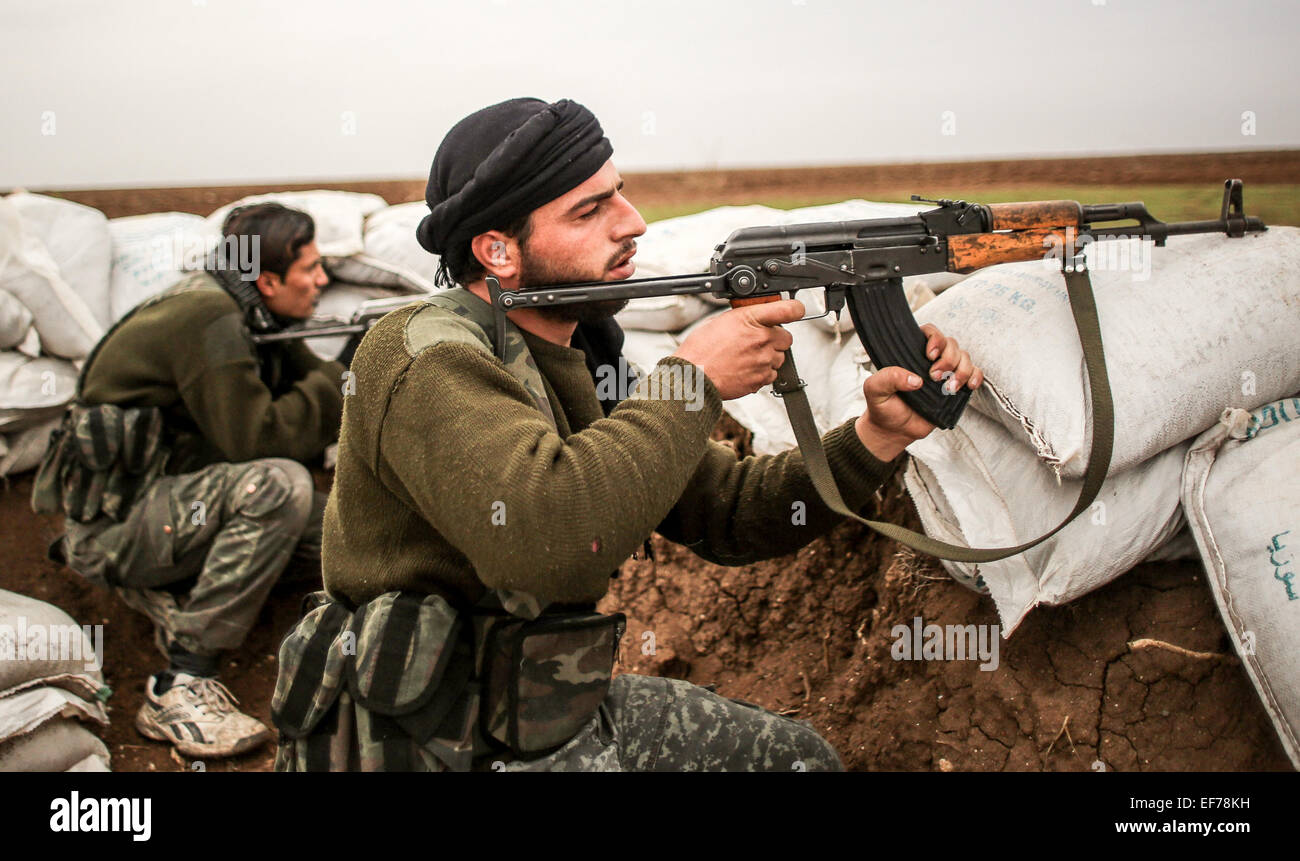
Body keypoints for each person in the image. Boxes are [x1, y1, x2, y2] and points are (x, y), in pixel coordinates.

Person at [271, 98, 983, 772]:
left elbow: (726, 510)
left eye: (621, 193)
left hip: (530, 710)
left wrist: (876, 436)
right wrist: (689, 381)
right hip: (419, 739)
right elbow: (545, 542)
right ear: (498, 251)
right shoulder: (425, 353)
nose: (634, 221)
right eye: (591, 209)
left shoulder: (582, 353)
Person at [33, 203, 346, 759]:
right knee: (278, 487)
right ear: (268, 279)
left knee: (339, 528)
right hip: (117, 528)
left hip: (171, 511)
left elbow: (310, 377)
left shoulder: (250, 312)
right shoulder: (208, 317)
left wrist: (350, 362)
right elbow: (261, 440)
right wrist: (341, 374)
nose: (323, 281)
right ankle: (180, 680)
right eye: (311, 269)